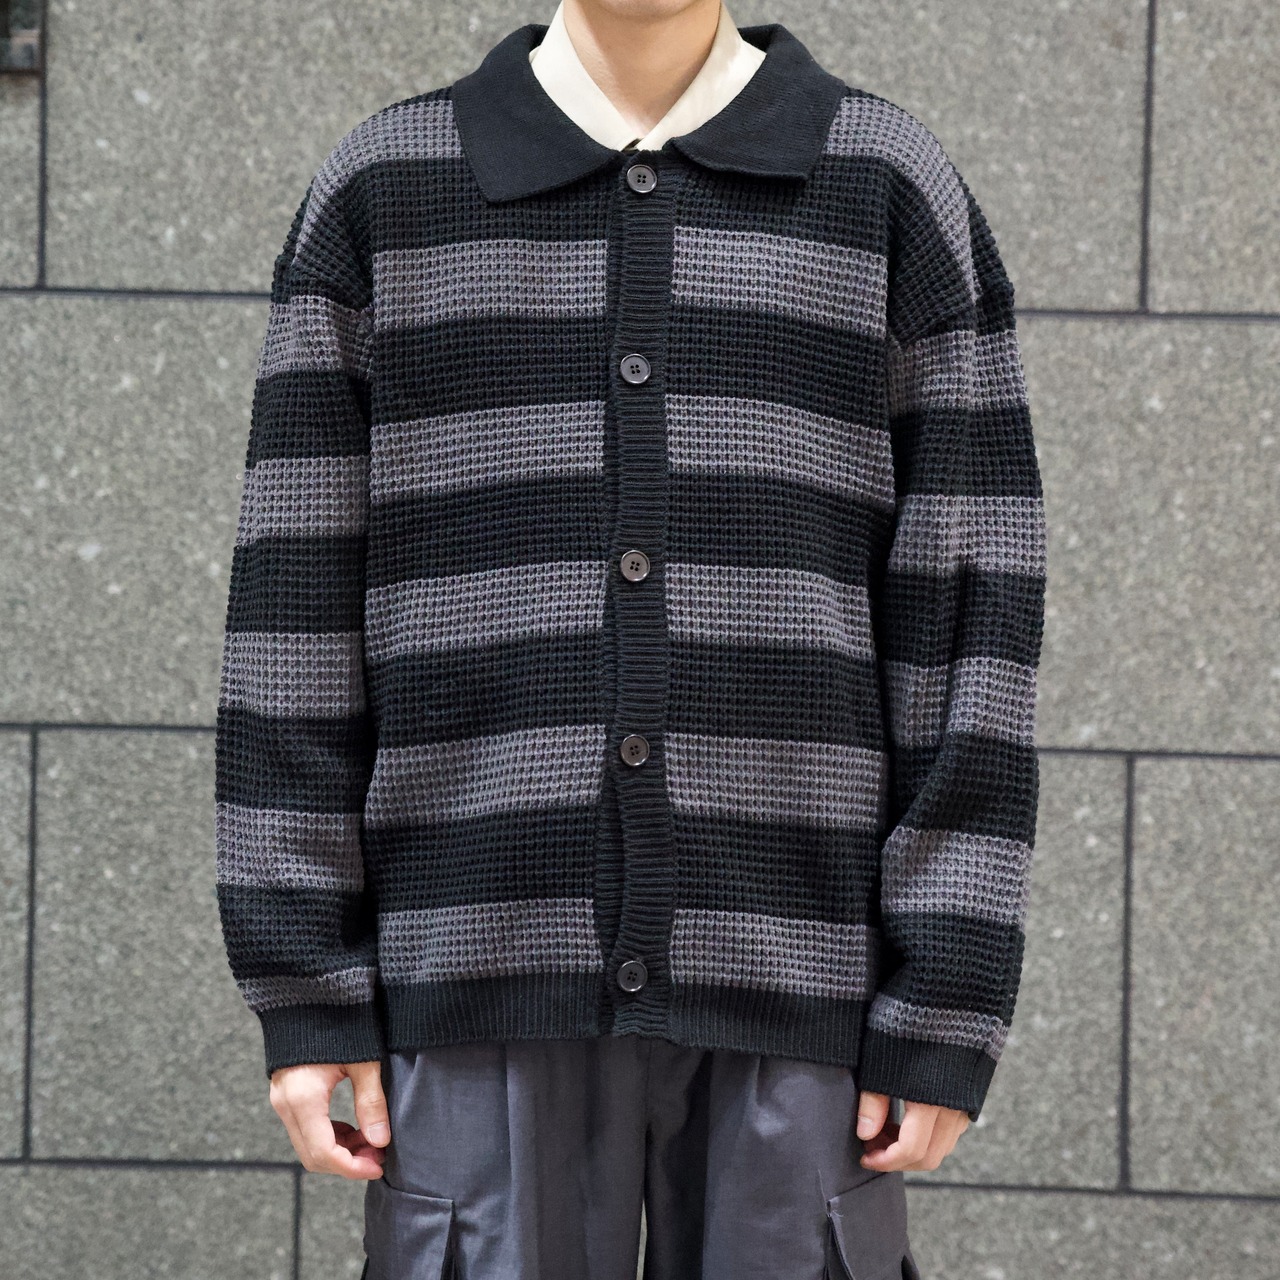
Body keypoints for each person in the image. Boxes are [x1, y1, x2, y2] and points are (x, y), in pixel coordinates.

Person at [213, 1, 1046, 1276]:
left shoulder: (883, 188)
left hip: (795, 965)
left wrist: (946, 985)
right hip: (474, 957)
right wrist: (304, 978)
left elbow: (972, 606)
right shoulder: (387, 191)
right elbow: (291, 605)